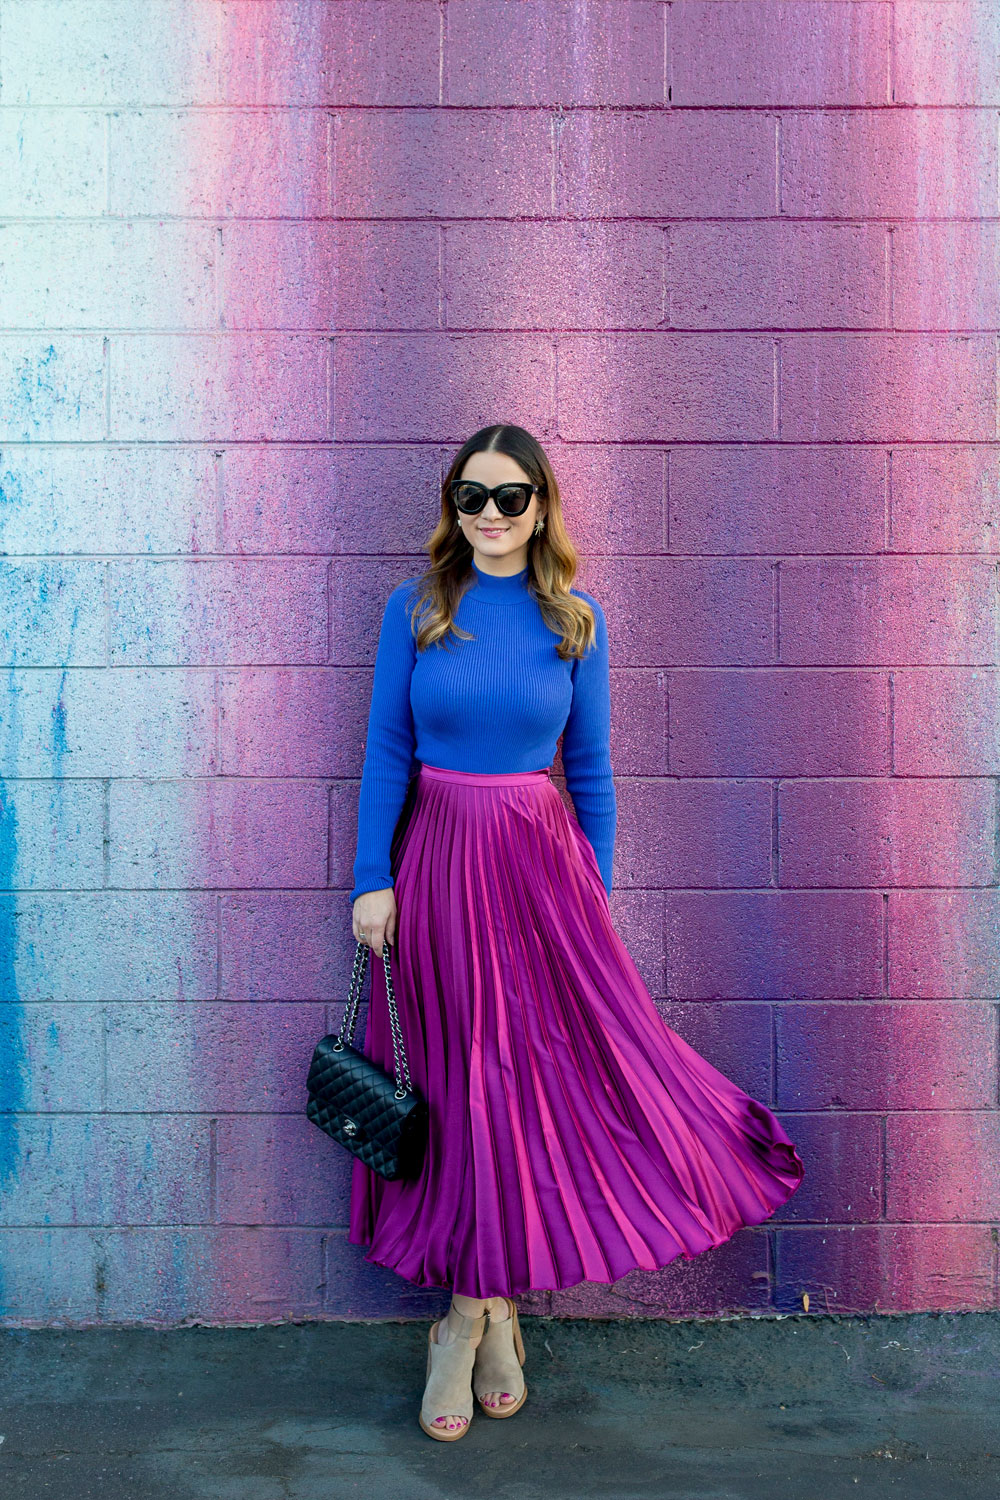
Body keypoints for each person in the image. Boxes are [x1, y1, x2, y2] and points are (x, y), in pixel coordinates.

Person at [347, 424, 805, 1440]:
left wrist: (589, 897)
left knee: (533, 1085)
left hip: (542, 881)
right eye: (473, 497)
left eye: (513, 498)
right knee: (465, 1084)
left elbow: (591, 772)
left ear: (542, 507)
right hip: (438, 871)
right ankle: (485, 1314)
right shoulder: (417, 609)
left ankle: (468, 1321)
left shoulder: (574, 619)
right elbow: (385, 748)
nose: (492, 516)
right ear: (452, 505)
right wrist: (369, 878)